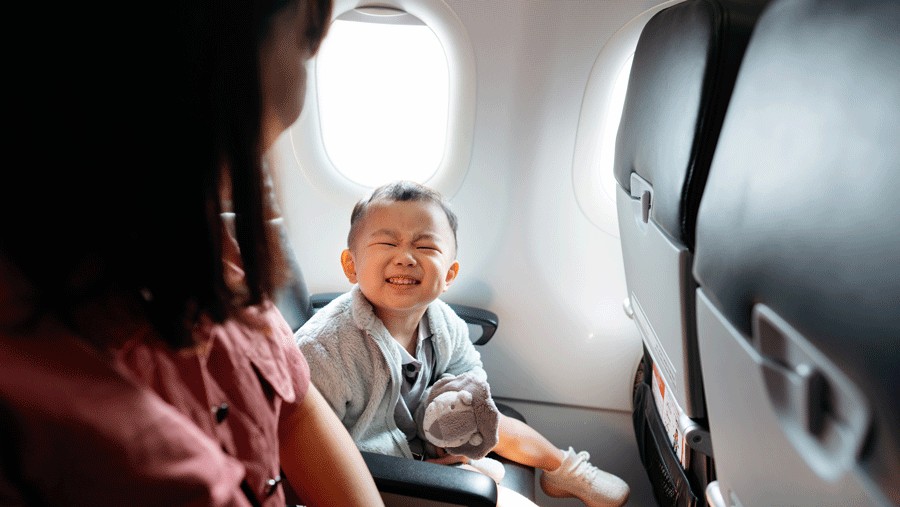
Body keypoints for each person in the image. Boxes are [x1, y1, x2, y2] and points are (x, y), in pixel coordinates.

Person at [0, 0, 383, 506]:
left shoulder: (211, 260)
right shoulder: (95, 441)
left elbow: (294, 412)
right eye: (305, 43)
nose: (299, 98)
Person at [296, 180, 631, 507]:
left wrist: (452, 432)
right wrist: (422, 471)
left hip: (424, 437)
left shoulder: (442, 322)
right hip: (373, 469)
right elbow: (315, 455)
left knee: (491, 418)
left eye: (425, 247)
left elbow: (469, 377)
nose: (406, 257)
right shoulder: (324, 350)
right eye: (387, 243)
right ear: (351, 266)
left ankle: (561, 469)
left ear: (450, 275)